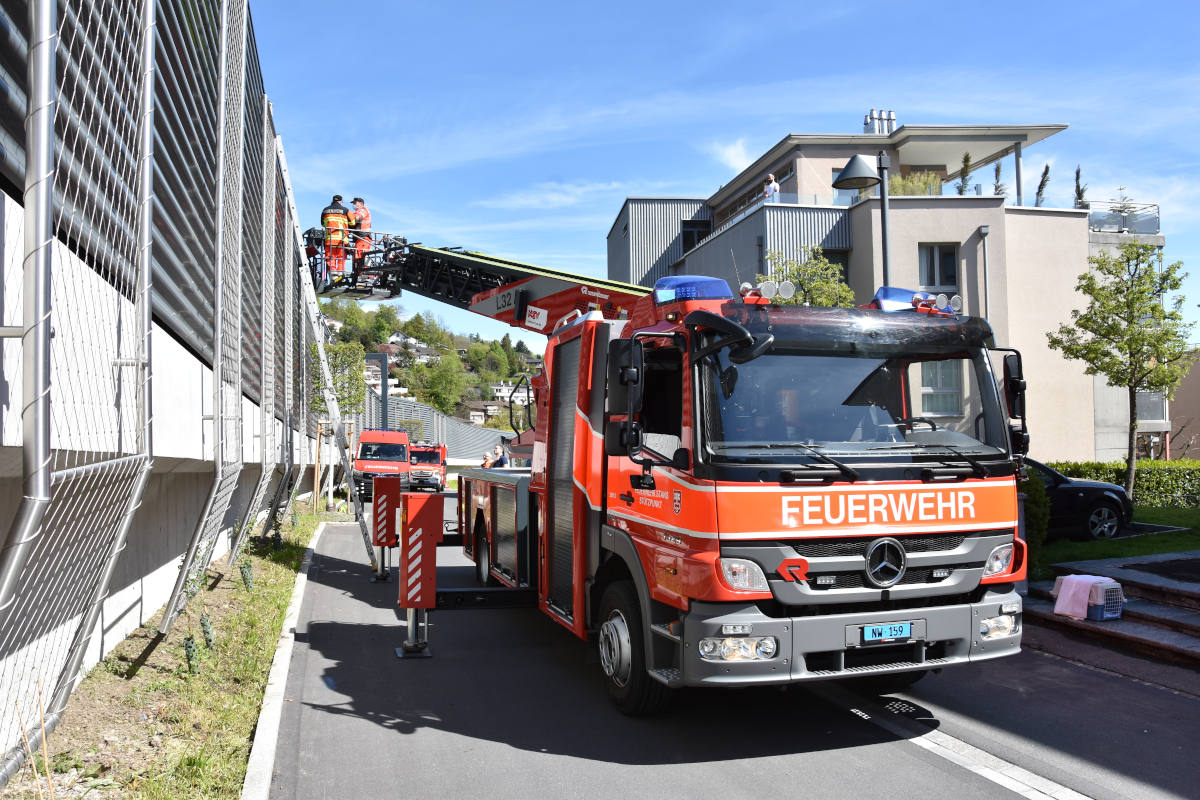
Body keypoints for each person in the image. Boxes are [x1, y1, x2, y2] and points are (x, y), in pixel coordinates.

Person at [321, 194, 351, 279]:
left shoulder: (325, 210)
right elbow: (352, 222)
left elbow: (323, 224)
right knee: (341, 258)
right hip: (342, 239)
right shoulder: (345, 210)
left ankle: (333, 276)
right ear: (340, 201)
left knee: (331, 258)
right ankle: (340, 276)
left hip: (330, 239)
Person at [350, 196, 372, 270]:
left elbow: (356, 218)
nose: (353, 205)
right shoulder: (360, 211)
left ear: (361, 204)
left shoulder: (362, 210)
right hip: (361, 238)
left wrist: (348, 215)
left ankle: (362, 273)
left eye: (355, 203)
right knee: (358, 255)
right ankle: (359, 273)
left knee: (361, 255)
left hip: (363, 237)